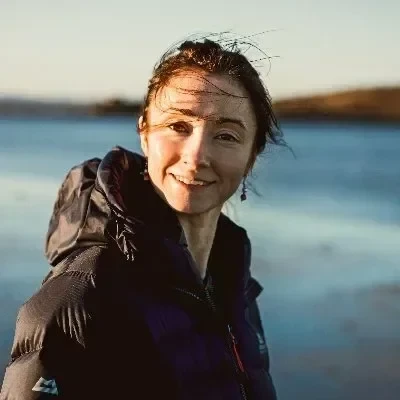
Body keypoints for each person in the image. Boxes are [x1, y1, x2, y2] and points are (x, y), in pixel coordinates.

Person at [0, 36, 283, 400]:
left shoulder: (232, 284)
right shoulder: (82, 298)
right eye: (178, 126)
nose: (196, 156)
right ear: (145, 134)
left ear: (252, 157)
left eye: (226, 135)